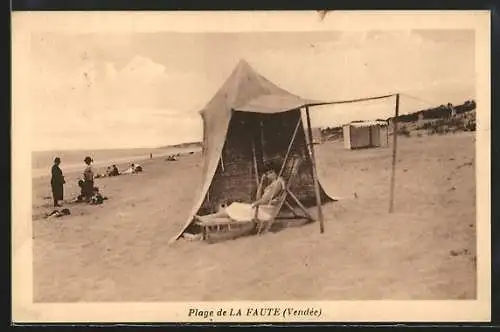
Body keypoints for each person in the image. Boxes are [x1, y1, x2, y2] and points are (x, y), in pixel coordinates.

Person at [202, 161, 285, 222]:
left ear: (276, 172)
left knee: (235, 208)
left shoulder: (278, 183)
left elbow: (266, 200)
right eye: (267, 174)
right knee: (234, 207)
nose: (269, 175)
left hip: (266, 212)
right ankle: (207, 218)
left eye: (271, 172)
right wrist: (261, 183)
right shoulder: (271, 184)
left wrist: (255, 204)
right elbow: (258, 197)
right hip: (260, 209)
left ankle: (206, 218)